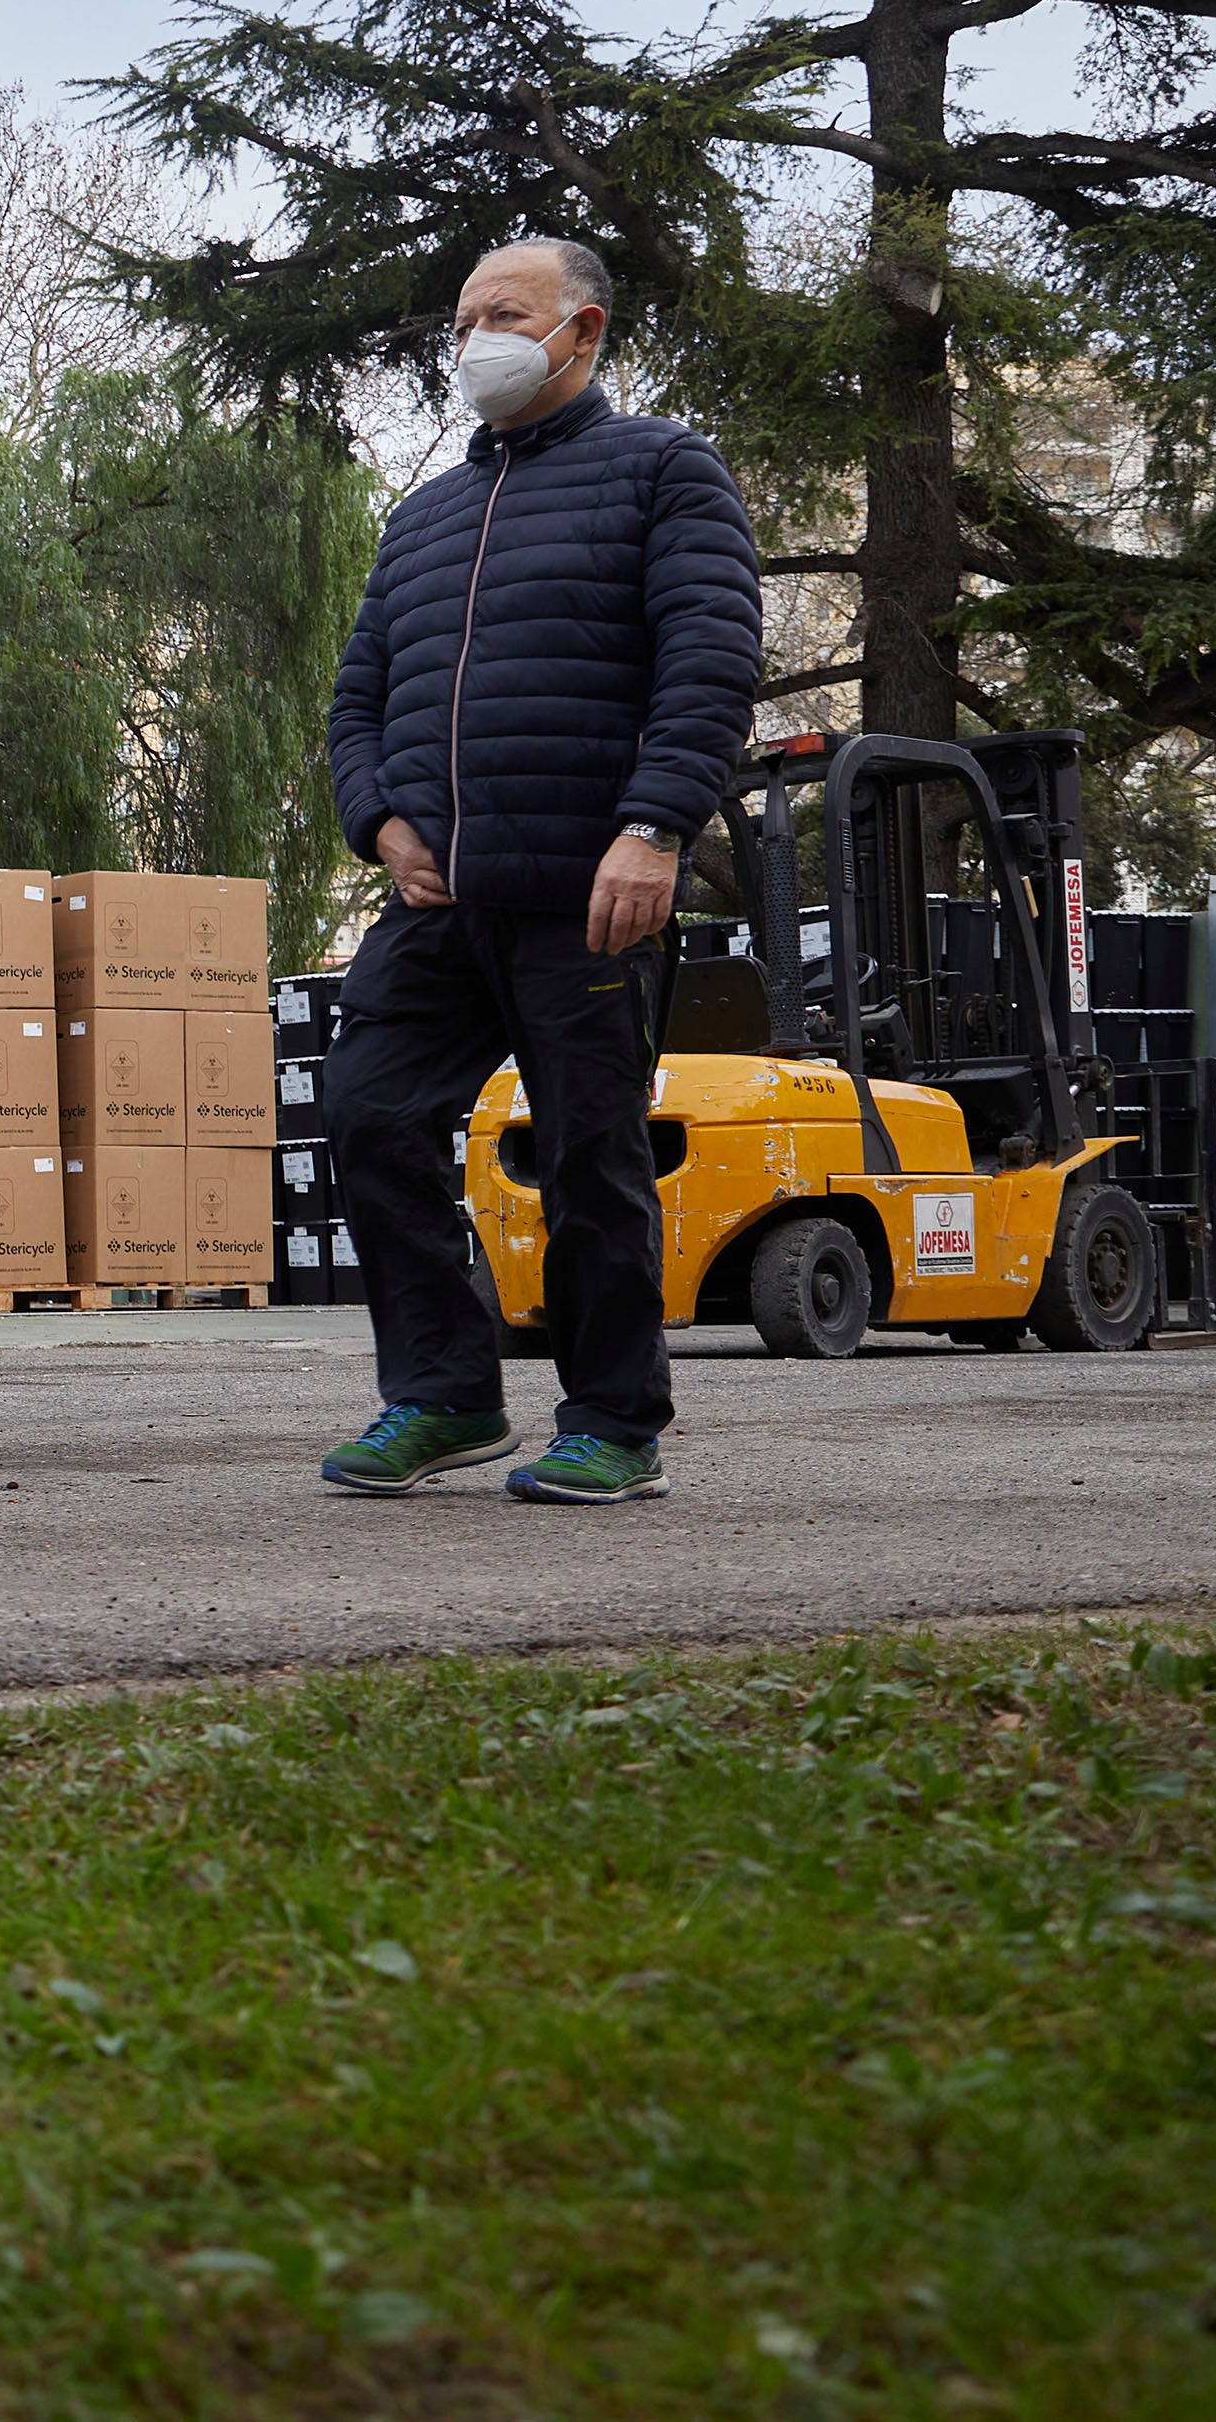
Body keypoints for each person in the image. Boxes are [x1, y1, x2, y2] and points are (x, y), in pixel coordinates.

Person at [317, 237, 762, 1505]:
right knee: (370, 1114)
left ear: (583, 331)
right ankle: (444, 1397)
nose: (474, 342)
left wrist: (655, 827)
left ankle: (614, 1423)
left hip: (588, 887)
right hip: (437, 898)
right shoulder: (423, 517)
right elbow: (355, 703)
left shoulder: (662, 470)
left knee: (586, 1155)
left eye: (502, 315)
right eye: (460, 322)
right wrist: (378, 824)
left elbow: (708, 660)